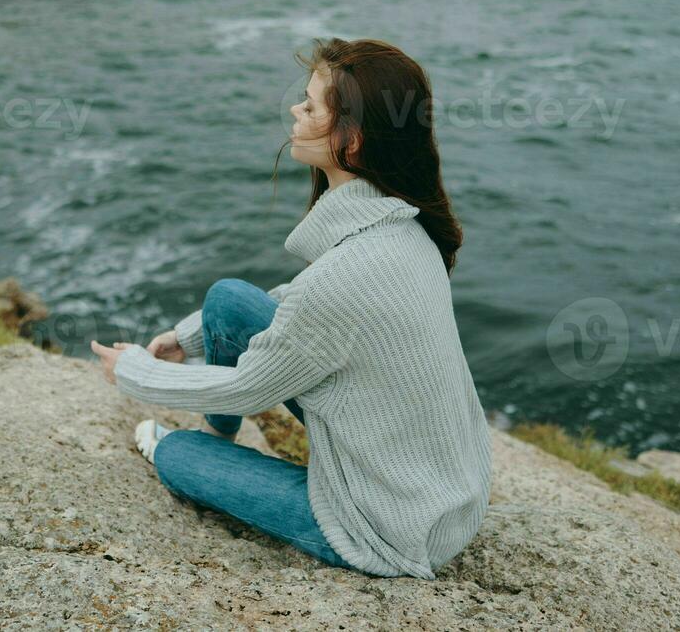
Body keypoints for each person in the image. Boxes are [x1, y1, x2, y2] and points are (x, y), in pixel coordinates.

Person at [90, 37, 491, 578]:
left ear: (351, 140)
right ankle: (219, 441)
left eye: (311, 105)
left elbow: (250, 386)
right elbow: (309, 312)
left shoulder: (343, 277)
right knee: (228, 298)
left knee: (178, 455)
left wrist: (137, 372)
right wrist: (188, 339)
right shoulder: (408, 230)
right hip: (441, 495)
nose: (295, 111)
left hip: (386, 528)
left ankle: (202, 450)